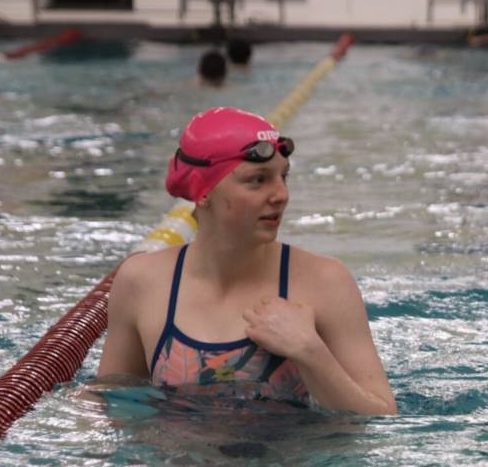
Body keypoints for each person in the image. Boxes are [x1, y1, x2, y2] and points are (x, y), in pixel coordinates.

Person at [97, 107, 397, 415]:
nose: (281, 194)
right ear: (203, 191)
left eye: (284, 176)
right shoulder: (142, 281)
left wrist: (310, 351)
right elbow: (109, 400)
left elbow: (383, 417)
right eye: (258, 180)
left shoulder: (325, 282)